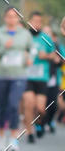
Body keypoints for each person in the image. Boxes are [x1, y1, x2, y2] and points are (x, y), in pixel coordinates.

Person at [0, 7, 33, 151]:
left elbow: (31, 49)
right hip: (1, 74)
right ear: (5, 18)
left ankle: (14, 138)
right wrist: (4, 48)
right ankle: (2, 137)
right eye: (9, 16)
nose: (11, 19)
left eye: (14, 16)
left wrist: (30, 59)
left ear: (18, 19)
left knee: (13, 104)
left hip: (19, 75)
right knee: (3, 107)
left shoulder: (25, 34)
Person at [22, 12, 55, 143]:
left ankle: (39, 123)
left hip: (42, 77)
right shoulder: (24, 37)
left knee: (41, 108)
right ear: (29, 22)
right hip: (27, 76)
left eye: (39, 21)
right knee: (29, 104)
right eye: (34, 21)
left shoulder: (46, 38)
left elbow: (54, 56)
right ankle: (30, 132)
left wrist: (46, 56)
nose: (37, 24)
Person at [42, 26, 64, 134]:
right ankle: (41, 124)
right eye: (44, 33)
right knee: (42, 103)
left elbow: (61, 61)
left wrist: (57, 60)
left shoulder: (55, 46)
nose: (46, 35)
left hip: (53, 78)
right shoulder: (39, 45)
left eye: (48, 33)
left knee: (53, 103)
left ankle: (50, 121)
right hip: (40, 78)